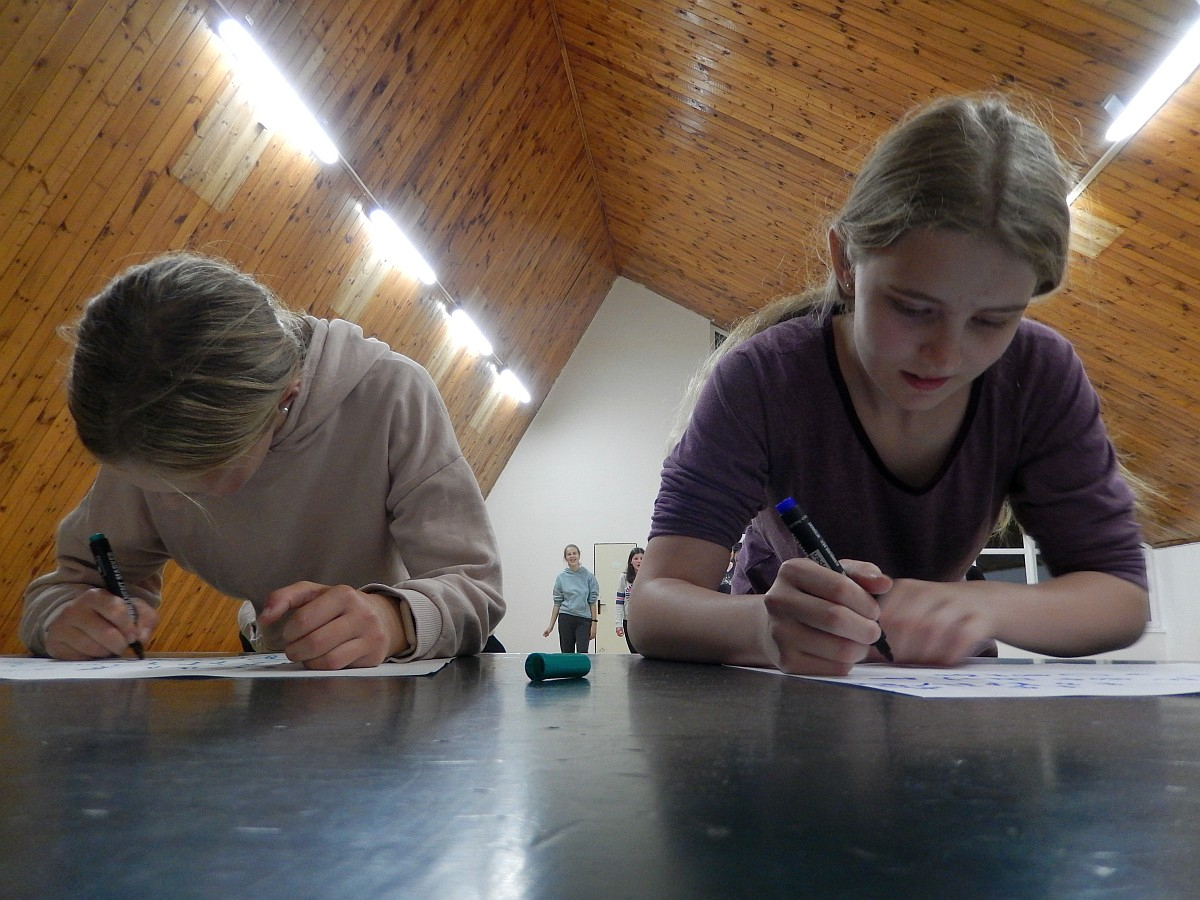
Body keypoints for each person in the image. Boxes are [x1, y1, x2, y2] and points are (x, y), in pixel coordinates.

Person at [632, 94, 1149, 676]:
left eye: (992, 320)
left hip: (945, 688)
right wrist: (762, 629)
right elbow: (653, 606)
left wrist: (984, 605)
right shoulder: (762, 379)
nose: (946, 355)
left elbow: (1120, 597)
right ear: (846, 263)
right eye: (912, 308)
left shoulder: (1038, 374)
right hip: (785, 676)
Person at [20, 252, 504, 669]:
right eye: (158, 483)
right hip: (276, 663)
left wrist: (393, 619)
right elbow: (77, 583)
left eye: (205, 476)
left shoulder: (390, 395)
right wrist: (63, 618)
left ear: (284, 399)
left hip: (404, 676)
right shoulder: (144, 428)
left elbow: (474, 589)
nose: (175, 499)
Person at [543, 544, 599, 653]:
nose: (572, 556)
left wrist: (594, 624)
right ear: (565, 558)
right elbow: (557, 603)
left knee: (582, 653)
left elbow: (592, 602)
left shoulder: (589, 577)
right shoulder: (561, 578)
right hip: (566, 618)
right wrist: (550, 626)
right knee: (567, 654)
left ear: (579, 555)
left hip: (584, 620)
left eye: (574, 553)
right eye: (569, 554)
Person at [614, 547, 644, 652]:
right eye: (636, 558)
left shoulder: (648, 577)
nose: (639, 561)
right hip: (629, 620)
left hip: (644, 620)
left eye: (642, 558)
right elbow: (619, 602)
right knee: (634, 652)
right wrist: (618, 624)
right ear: (631, 561)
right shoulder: (624, 577)